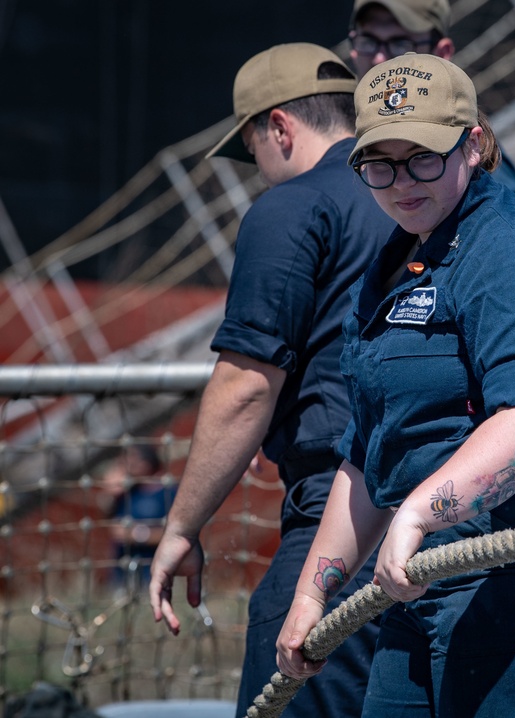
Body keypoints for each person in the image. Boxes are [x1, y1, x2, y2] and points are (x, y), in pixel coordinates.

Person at [275, 53, 515, 716]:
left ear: (473, 144)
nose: (400, 182)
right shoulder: (392, 263)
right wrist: (310, 597)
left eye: (422, 158)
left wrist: (415, 515)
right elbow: (368, 455)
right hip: (422, 578)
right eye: (378, 164)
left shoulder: (513, 250)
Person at [147, 43, 396, 717]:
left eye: (253, 149)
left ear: (280, 128)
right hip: (459, 526)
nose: (259, 172)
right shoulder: (427, 196)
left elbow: (246, 384)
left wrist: (181, 527)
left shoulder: (293, 207)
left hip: (341, 526)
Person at [347, 0, 515, 198]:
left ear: (443, 52)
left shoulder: (462, 138)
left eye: (401, 45)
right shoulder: (339, 123)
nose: (379, 58)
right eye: (368, 41)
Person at [99, 443, 172, 589]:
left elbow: (174, 533)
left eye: (130, 460)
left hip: (153, 572)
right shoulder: (128, 491)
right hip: (122, 571)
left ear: (145, 463)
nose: (124, 466)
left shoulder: (167, 492)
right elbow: (109, 522)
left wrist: (137, 534)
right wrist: (110, 493)